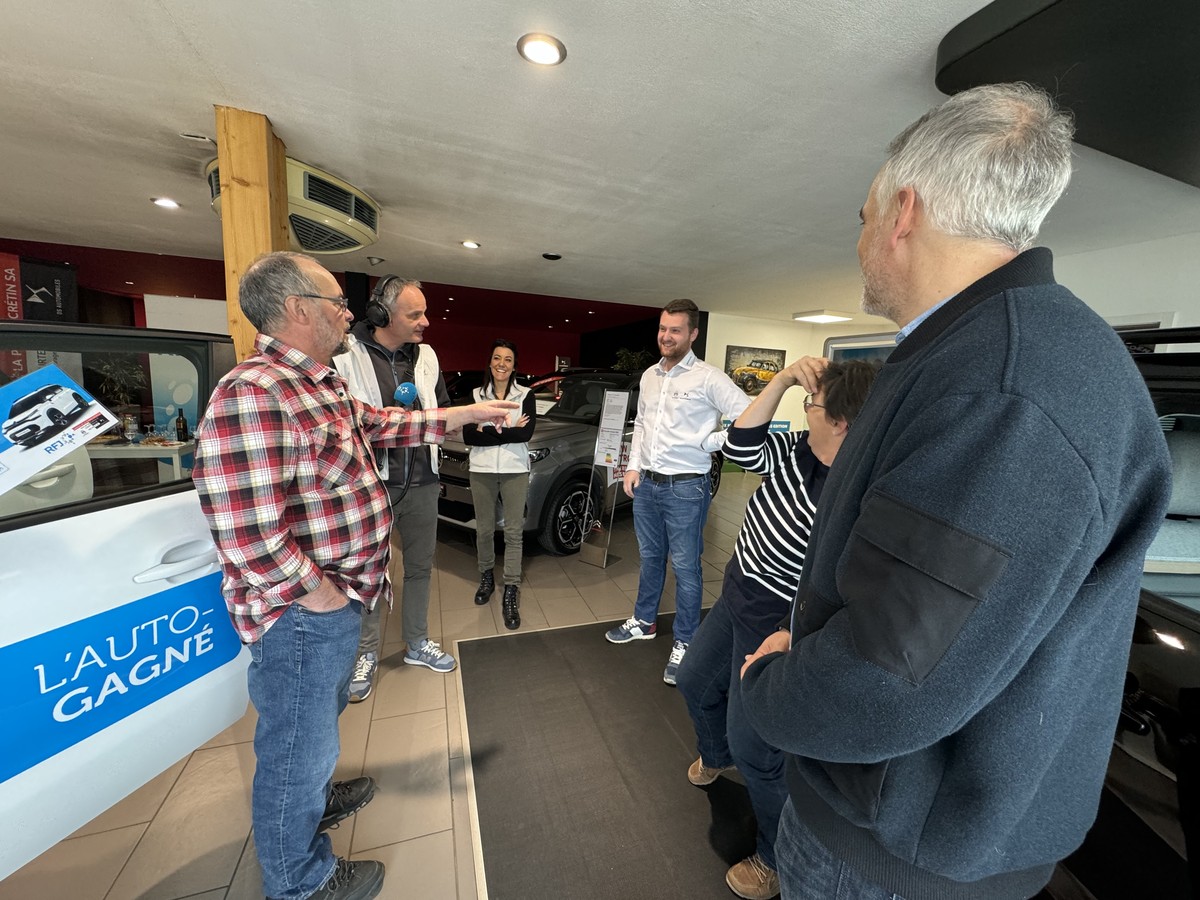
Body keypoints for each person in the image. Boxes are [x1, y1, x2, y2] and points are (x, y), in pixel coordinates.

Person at [738, 83, 1172, 900]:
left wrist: (769, 688)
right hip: (893, 831)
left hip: (891, 860)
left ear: (903, 213)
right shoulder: (978, 357)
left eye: (864, 216)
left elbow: (884, 683)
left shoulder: (1004, 391)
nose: (861, 239)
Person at [192, 251, 515, 900]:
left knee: (314, 732)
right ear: (297, 309)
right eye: (337, 302)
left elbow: (380, 423)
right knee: (294, 750)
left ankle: (313, 797)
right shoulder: (254, 393)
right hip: (303, 616)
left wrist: (460, 416)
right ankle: (300, 882)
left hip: (336, 604)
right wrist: (320, 595)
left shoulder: (317, 383)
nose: (349, 313)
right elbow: (245, 531)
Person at [676, 356, 878, 900]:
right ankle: (714, 754)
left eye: (813, 404)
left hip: (776, 622)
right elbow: (739, 446)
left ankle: (774, 857)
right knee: (694, 681)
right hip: (737, 593)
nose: (806, 410)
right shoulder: (795, 450)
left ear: (840, 422)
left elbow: (848, 587)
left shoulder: (857, 492)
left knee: (758, 752)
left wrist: (793, 631)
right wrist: (785, 379)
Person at [605, 298, 750, 685]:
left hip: (686, 488)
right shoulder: (650, 376)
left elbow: (749, 414)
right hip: (648, 485)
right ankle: (644, 621)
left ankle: (686, 640)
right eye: (662, 328)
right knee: (650, 559)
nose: (666, 336)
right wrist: (632, 466)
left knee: (686, 568)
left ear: (693, 334)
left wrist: (712, 441)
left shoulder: (708, 377)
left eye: (675, 330)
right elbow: (642, 424)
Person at [332, 276, 455, 705]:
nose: (425, 322)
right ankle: (365, 654)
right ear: (382, 315)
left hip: (423, 481)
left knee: (420, 568)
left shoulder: (427, 356)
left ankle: (417, 642)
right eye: (415, 314)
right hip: (372, 487)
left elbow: (440, 411)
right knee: (369, 573)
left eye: (425, 313)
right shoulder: (346, 354)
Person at [463, 338, 537, 629]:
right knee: (483, 529)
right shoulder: (476, 395)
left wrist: (488, 431)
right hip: (481, 470)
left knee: (514, 533)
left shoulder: (526, 395)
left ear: (514, 365)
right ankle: (486, 577)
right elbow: (469, 436)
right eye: (497, 358)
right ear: (490, 362)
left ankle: (511, 588)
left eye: (507, 359)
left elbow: (525, 435)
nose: (501, 364)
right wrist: (508, 431)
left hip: (514, 470)